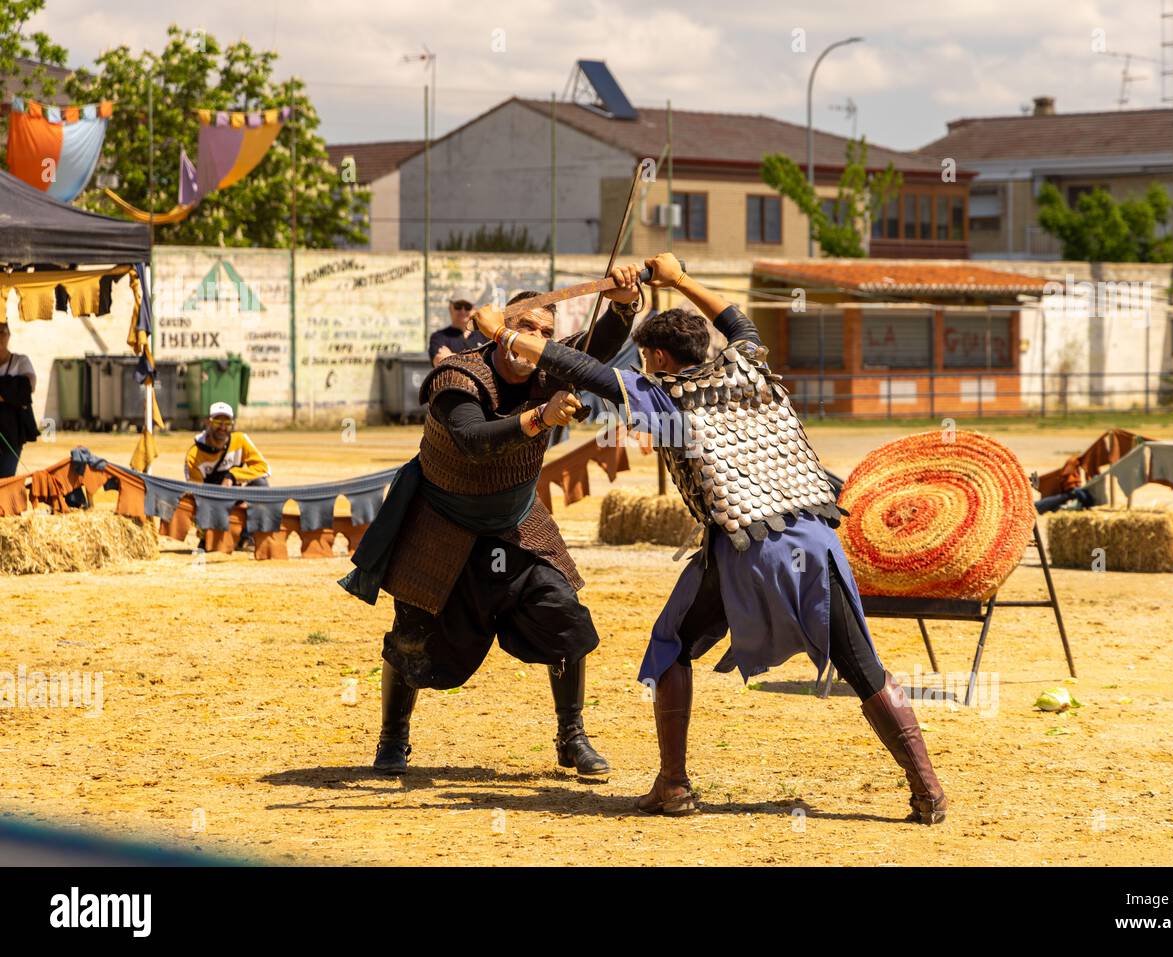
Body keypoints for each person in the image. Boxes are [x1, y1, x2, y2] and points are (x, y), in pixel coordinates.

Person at [471, 253, 949, 824]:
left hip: (749, 547)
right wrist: (679, 280)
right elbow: (737, 320)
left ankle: (673, 787)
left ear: (658, 357)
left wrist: (503, 333)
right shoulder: (749, 364)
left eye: (647, 356)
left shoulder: (662, 399)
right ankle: (927, 790)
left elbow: (580, 370)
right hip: (818, 540)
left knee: (672, 642)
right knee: (863, 666)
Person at [340, 268, 643, 778]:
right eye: (527, 328)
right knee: (412, 634)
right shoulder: (457, 377)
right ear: (500, 328)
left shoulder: (551, 367)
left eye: (548, 333)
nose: (539, 341)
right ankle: (392, 740)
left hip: (516, 522)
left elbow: (599, 345)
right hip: (440, 523)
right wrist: (539, 418)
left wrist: (624, 302)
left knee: (563, 613)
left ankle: (572, 737)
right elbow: (474, 440)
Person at [185, 402, 271, 550]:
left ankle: (248, 536)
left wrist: (233, 475)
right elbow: (196, 493)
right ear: (208, 422)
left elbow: (264, 468)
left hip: (237, 496)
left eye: (227, 422)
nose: (223, 427)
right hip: (211, 502)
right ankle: (209, 537)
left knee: (260, 485)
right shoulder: (194, 455)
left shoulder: (240, 440)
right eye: (218, 421)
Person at [0, 322, 39, 478]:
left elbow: (29, 386)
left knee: (5, 480)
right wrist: (12, 387)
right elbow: (20, 389)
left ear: (9, 335)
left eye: (2, 332)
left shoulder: (20, 361)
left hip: (12, 434)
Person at [428, 293, 488, 366]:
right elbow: (440, 362)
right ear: (450, 308)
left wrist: (451, 357)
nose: (463, 311)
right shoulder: (439, 337)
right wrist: (478, 360)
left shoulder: (486, 335)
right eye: (458, 306)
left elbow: (493, 362)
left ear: (474, 310)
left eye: (467, 307)